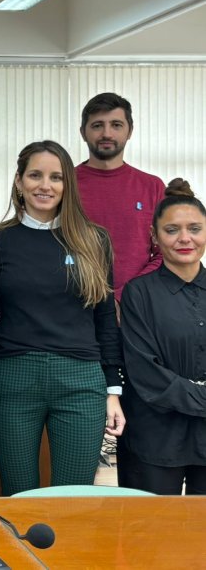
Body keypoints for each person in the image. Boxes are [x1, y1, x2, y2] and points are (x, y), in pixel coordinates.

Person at [0, 140, 125, 496]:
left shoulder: (94, 240)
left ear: (68, 185)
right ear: (19, 181)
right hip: (14, 381)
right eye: (35, 175)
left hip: (81, 383)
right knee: (17, 497)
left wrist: (113, 391)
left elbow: (106, 319)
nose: (44, 185)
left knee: (72, 499)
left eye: (56, 177)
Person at [118, 179, 206, 495]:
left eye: (194, 229)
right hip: (155, 434)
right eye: (172, 230)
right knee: (148, 534)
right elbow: (145, 372)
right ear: (155, 236)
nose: (185, 238)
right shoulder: (138, 293)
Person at [75, 92, 165, 302]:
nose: (107, 133)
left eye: (116, 125)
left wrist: (128, 294)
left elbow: (164, 252)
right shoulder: (64, 184)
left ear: (129, 131)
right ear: (83, 132)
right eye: (97, 125)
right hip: (76, 304)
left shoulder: (152, 186)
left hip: (136, 305)